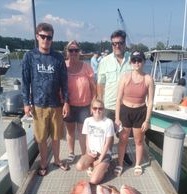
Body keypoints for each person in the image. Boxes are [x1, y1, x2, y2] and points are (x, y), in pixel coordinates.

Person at [22, 22, 69, 176]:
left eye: (49, 37)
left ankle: (56, 159)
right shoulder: (29, 56)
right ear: (37, 36)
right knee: (41, 137)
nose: (46, 40)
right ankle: (43, 162)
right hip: (38, 105)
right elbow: (25, 81)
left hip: (56, 103)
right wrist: (25, 102)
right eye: (43, 36)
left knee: (56, 136)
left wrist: (66, 102)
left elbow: (64, 81)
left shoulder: (58, 57)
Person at [114, 51, 154, 176]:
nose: (137, 63)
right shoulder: (125, 77)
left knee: (139, 141)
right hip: (125, 111)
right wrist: (117, 118)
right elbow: (118, 99)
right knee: (123, 140)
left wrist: (147, 120)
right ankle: (120, 164)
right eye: (134, 60)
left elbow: (150, 101)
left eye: (139, 60)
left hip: (140, 112)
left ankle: (138, 164)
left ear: (144, 62)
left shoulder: (148, 79)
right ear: (131, 62)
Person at [97, 29, 133, 166]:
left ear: (125, 44)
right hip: (108, 105)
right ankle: (106, 156)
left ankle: (123, 156)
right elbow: (100, 84)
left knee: (124, 136)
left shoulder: (132, 59)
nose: (117, 46)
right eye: (114, 44)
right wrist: (99, 103)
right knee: (107, 135)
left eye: (120, 43)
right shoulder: (104, 61)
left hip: (126, 106)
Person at [64, 40, 97, 163]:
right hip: (68, 105)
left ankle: (84, 154)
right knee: (70, 131)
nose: (73, 53)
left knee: (82, 132)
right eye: (71, 50)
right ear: (67, 52)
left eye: (76, 50)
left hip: (84, 105)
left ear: (79, 52)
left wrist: (93, 103)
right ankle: (71, 153)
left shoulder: (87, 67)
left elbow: (94, 87)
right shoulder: (63, 66)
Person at [76, 99, 114, 184]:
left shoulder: (108, 122)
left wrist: (100, 160)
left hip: (104, 154)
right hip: (92, 153)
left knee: (93, 181)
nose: (97, 110)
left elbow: (107, 143)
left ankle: (105, 166)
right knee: (79, 166)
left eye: (100, 108)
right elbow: (87, 138)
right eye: (95, 108)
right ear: (91, 109)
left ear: (103, 110)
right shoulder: (87, 121)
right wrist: (88, 151)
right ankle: (95, 165)